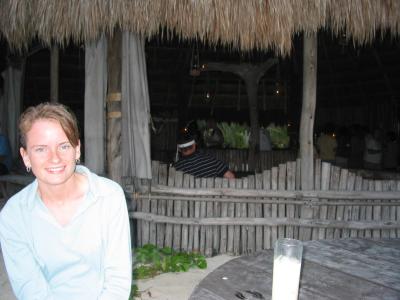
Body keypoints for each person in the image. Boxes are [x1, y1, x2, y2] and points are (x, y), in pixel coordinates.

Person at [0, 103, 132, 299]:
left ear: (77, 149)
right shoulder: (13, 215)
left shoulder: (109, 197)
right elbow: (30, 289)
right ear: (26, 156)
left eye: (64, 146)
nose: (55, 158)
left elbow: (118, 281)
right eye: (40, 149)